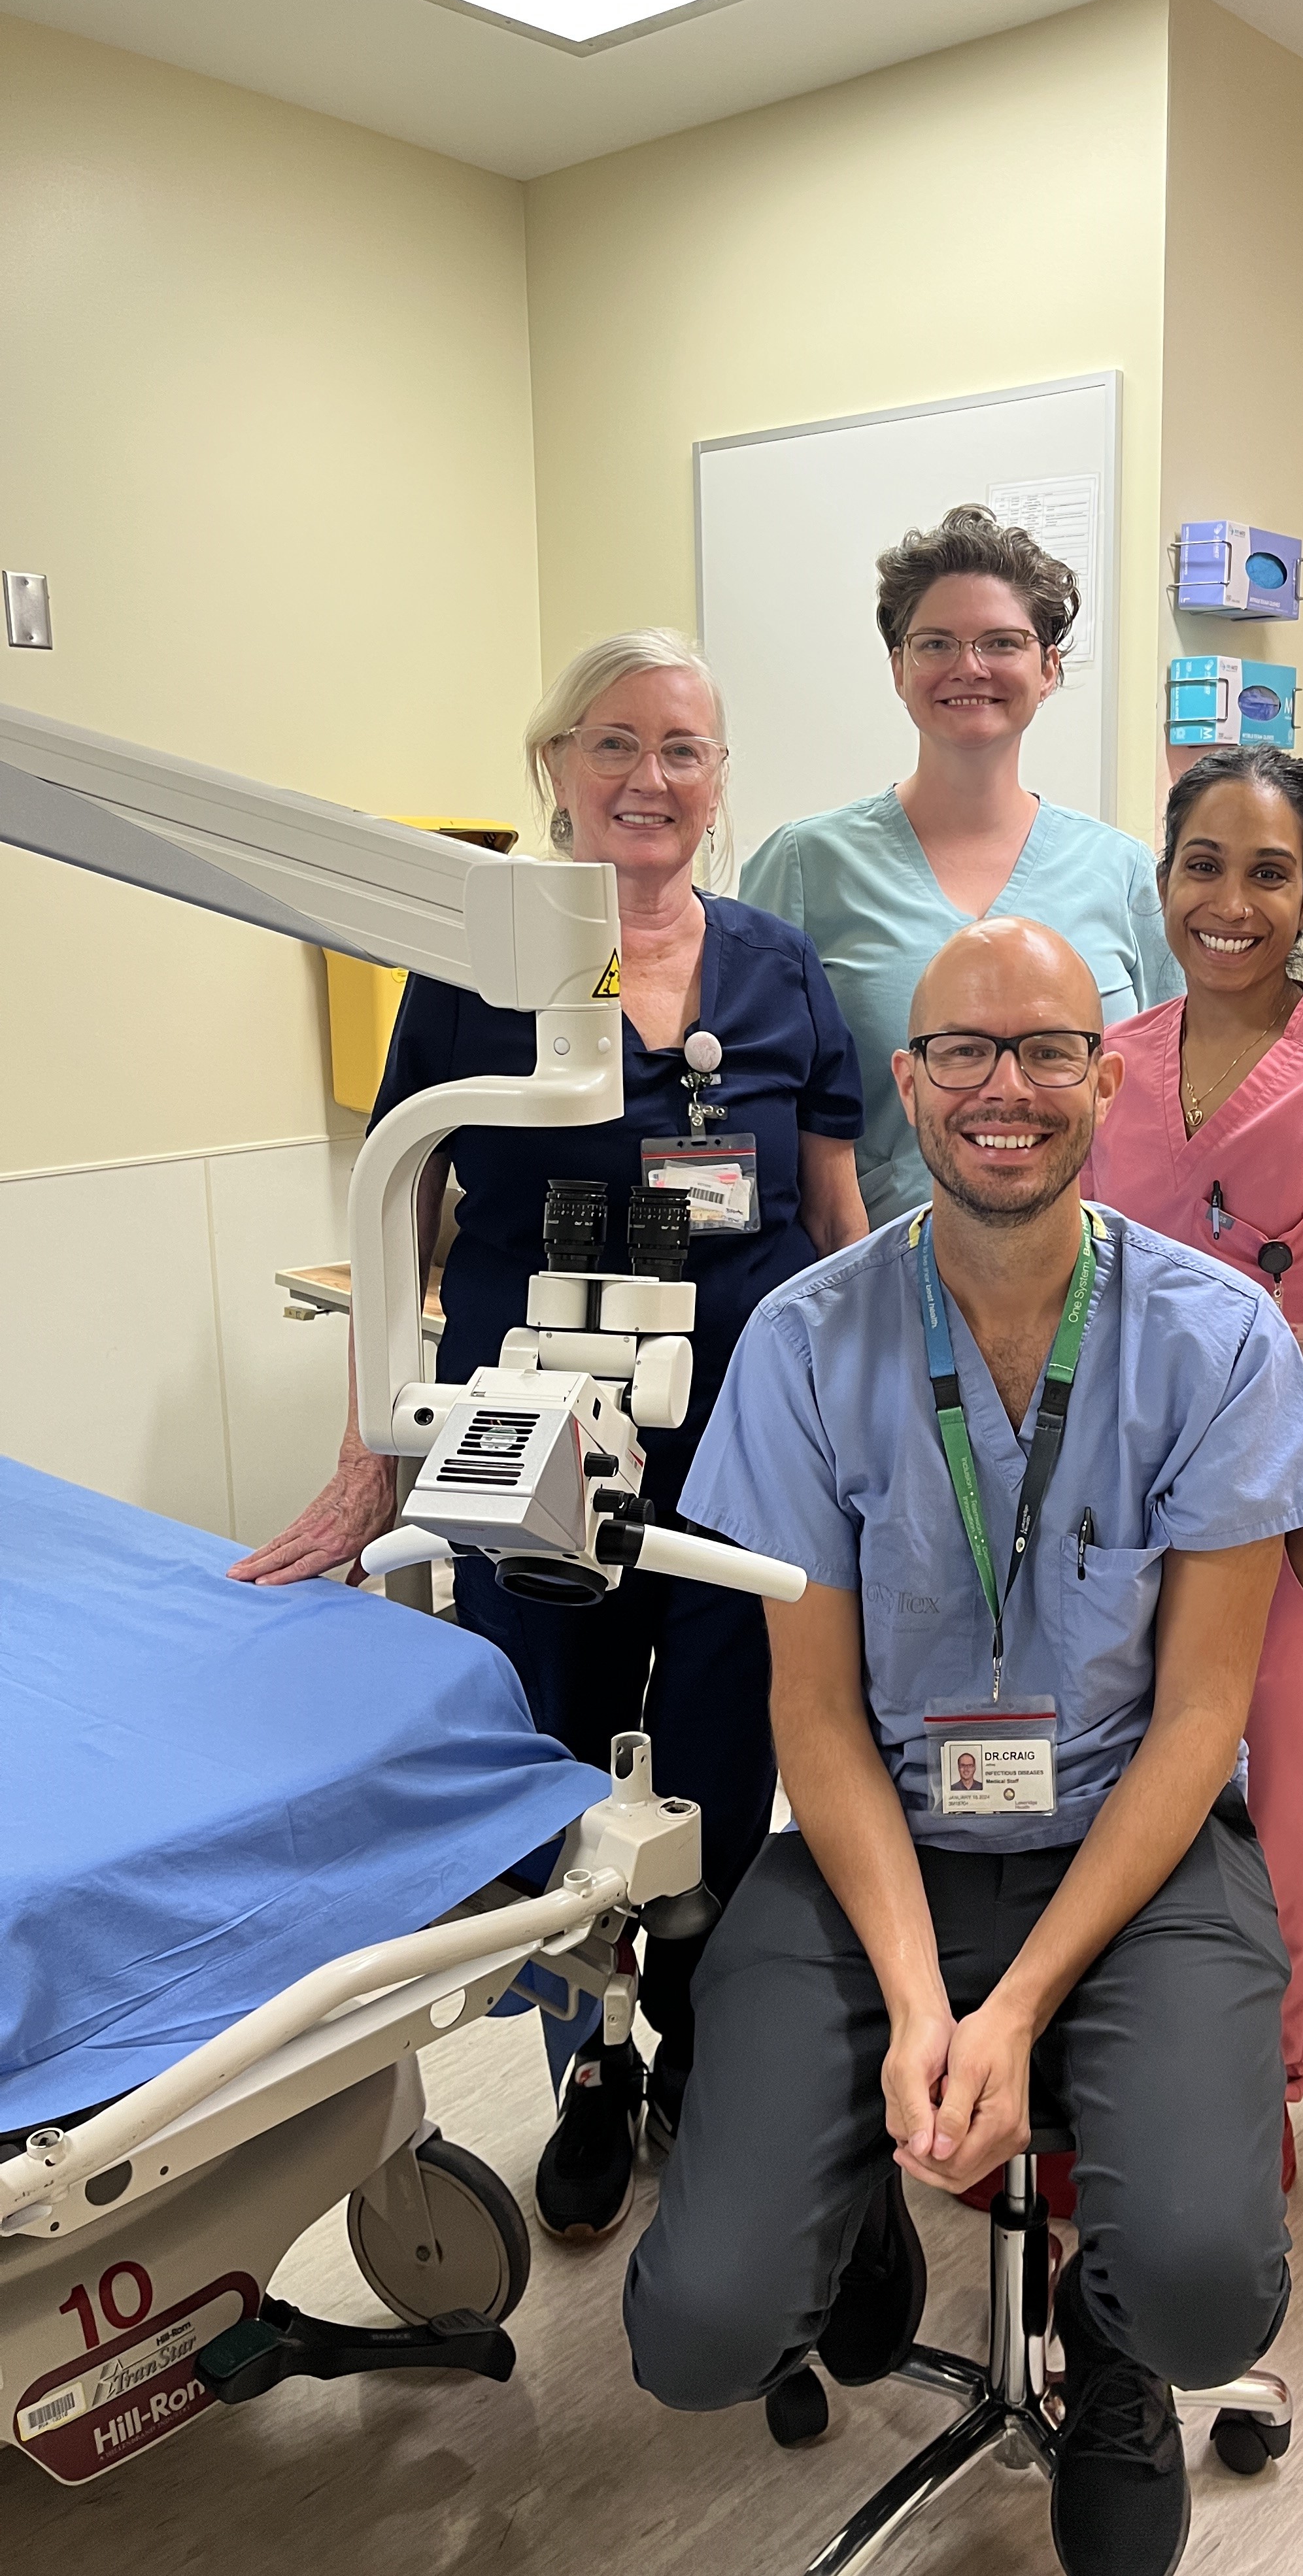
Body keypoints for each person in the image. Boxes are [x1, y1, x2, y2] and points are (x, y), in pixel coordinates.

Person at [625, 918, 1303, 2576]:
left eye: (1044, 1050)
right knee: (700, 2333)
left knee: (1206, 2283)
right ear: (906, 1080)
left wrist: (1008, 2011)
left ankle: (1109, 2357)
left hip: (1135, 1842)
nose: (1001, 1089)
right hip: (884, 1843)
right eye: (962, 1050)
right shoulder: (805, 1344)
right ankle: (856, 2212)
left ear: (1109, 1078)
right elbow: (813, 1712)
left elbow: (1199, 1718)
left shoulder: (1216, 1343)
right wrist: (918, 2005)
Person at [229, 628, 866, 2241]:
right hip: (526, 1439)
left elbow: (842, 1233)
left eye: (684, 749)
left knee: (723, 1758)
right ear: (556, 770)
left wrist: (868, 1455)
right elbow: (399, 1209)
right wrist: (374, 1452)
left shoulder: (781, 970)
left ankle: (698, 2047)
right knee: (549, 1752)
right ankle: (592, 2052)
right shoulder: (470, 970)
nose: (648, 777)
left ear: (723, 784)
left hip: (740, 1446)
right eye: (613, 743)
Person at [1084, 746, 1303, 2178]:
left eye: (1270, 872)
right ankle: (1111, 2072)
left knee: (1282, 1792)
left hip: (1297, 1512)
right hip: (1124, 1507)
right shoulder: (1114, 1065)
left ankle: (1255, 2091)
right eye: (1202, 865)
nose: (1231, 901)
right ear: (1163, 878)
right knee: (1121, 1776)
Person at [742, 503, 1181, 1225]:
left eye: (1003, 642)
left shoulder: (1125, 873)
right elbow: (761, 1105)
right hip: (873, 1280)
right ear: (898, 668)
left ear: (1049, 669)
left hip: (1083, 1284)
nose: (969, 667)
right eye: (937, 642)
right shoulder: (805, 866)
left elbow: (1164, 1104)